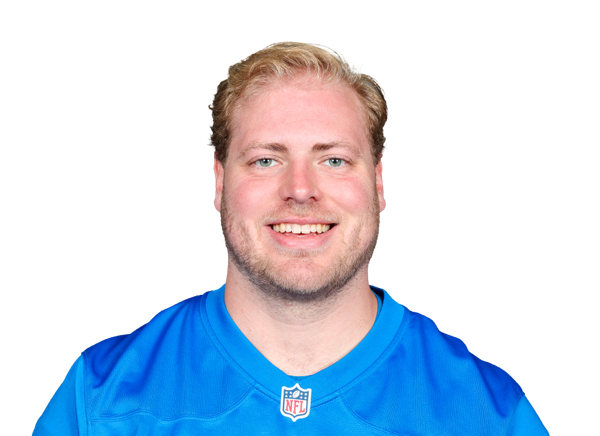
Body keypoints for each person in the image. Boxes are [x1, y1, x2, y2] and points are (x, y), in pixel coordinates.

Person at [33, 41, 549, 435]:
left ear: (378, 183)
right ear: (219, 183)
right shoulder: (98, 396)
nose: (300, 189)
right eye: (266, 160)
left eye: (334, 160)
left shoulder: (491, 414)